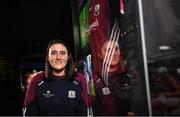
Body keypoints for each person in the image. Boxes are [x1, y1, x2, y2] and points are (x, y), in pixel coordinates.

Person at [22, 39, 88, 116]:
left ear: (68, 56)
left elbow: (84, 112)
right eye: (53, 53)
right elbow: (30, 113)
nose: (58, 57)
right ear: (48, 57)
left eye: (62, 53)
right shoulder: (36, 80)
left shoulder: (80, 79)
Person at [92, 40, 141, 116]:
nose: (113, 54)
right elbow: (95, 106)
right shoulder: (96, 78)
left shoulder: (130, 73)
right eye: (108, 50)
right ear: (100, 54)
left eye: (115, 49)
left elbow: (139, 101)